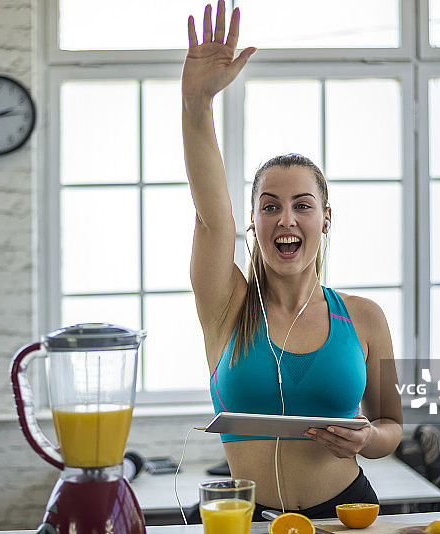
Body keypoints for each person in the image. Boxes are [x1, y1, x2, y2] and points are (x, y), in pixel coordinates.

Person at [182, 0, 404, 521]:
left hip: (349, 512)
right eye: (270, 206)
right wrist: (195, 104)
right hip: (246, 518)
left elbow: (392, 426)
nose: (286, 219)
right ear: (253, 223)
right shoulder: (226, 306)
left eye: (303, 206)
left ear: (325, 219)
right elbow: (211, 215)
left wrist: (367, 438)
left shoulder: (364, 317)